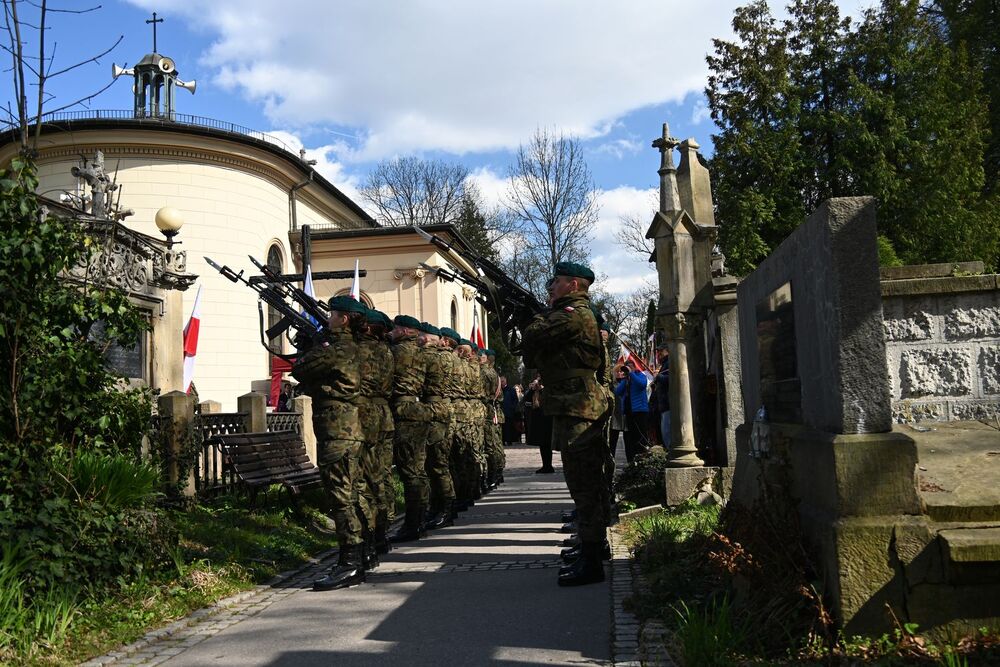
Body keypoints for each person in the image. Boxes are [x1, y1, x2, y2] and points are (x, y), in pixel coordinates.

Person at [522, 261, 611, 587]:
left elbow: (533, 337)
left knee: (583, 485)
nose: (551, 288)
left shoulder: (574, 315)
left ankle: (592, 561)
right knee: (584, 483)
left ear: (573, 285)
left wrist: (532, 315)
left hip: (580, 407)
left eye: (556, 282)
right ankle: (591, 548)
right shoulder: (569, 315)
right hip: (574, 405)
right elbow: (532, 355)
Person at [291, 295, 367, 591]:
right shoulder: (355, 348)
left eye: (332, 314)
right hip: (351, 430)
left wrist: (311, 345)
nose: (328, 318)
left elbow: (301, 369)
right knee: (353, 493)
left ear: (344, 318)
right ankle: (360, 555)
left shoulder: (337, 349)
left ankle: (349, 564)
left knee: (341, 497)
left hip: (337, 432)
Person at [389, 314, 430, 542]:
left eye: (395, 329)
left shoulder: (397, 353)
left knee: (410, 472)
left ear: (404, 331)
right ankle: (419, 520)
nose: (391, 332)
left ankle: (412, 524)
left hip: (403, 411)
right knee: (418, 470)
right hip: (418, 409)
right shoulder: (422, 354)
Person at [615, 359, 650, 463]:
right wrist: (625, 379)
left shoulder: (640, 376)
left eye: (630, 367)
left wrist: (632, 374)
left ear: (634, 367)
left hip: (640, 411)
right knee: (631, 438)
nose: (627, 369)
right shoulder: (626, 380)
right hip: (629, 412)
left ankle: (642, 459)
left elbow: (642, 384)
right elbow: (618, 391)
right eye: (626, 368)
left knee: (641, 436)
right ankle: (632, 460)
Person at [523, 372, 554, 473]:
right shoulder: (534, 391)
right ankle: (545, 465)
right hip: (539, 420)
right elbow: (526, 399)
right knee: (542, 444)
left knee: (547, 444)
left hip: (547, 419)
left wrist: (543, 389)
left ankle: (548, 465)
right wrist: (532, 389)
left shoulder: (549, 388)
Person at [653, 344, 671, 451]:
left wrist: (658, 377)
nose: (659, 354)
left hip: (668, 403)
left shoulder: (670, 362)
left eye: (661, 351)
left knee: (667, 432)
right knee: (665, 432)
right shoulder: (665, 363)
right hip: (663, 404)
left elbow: (672, 378)